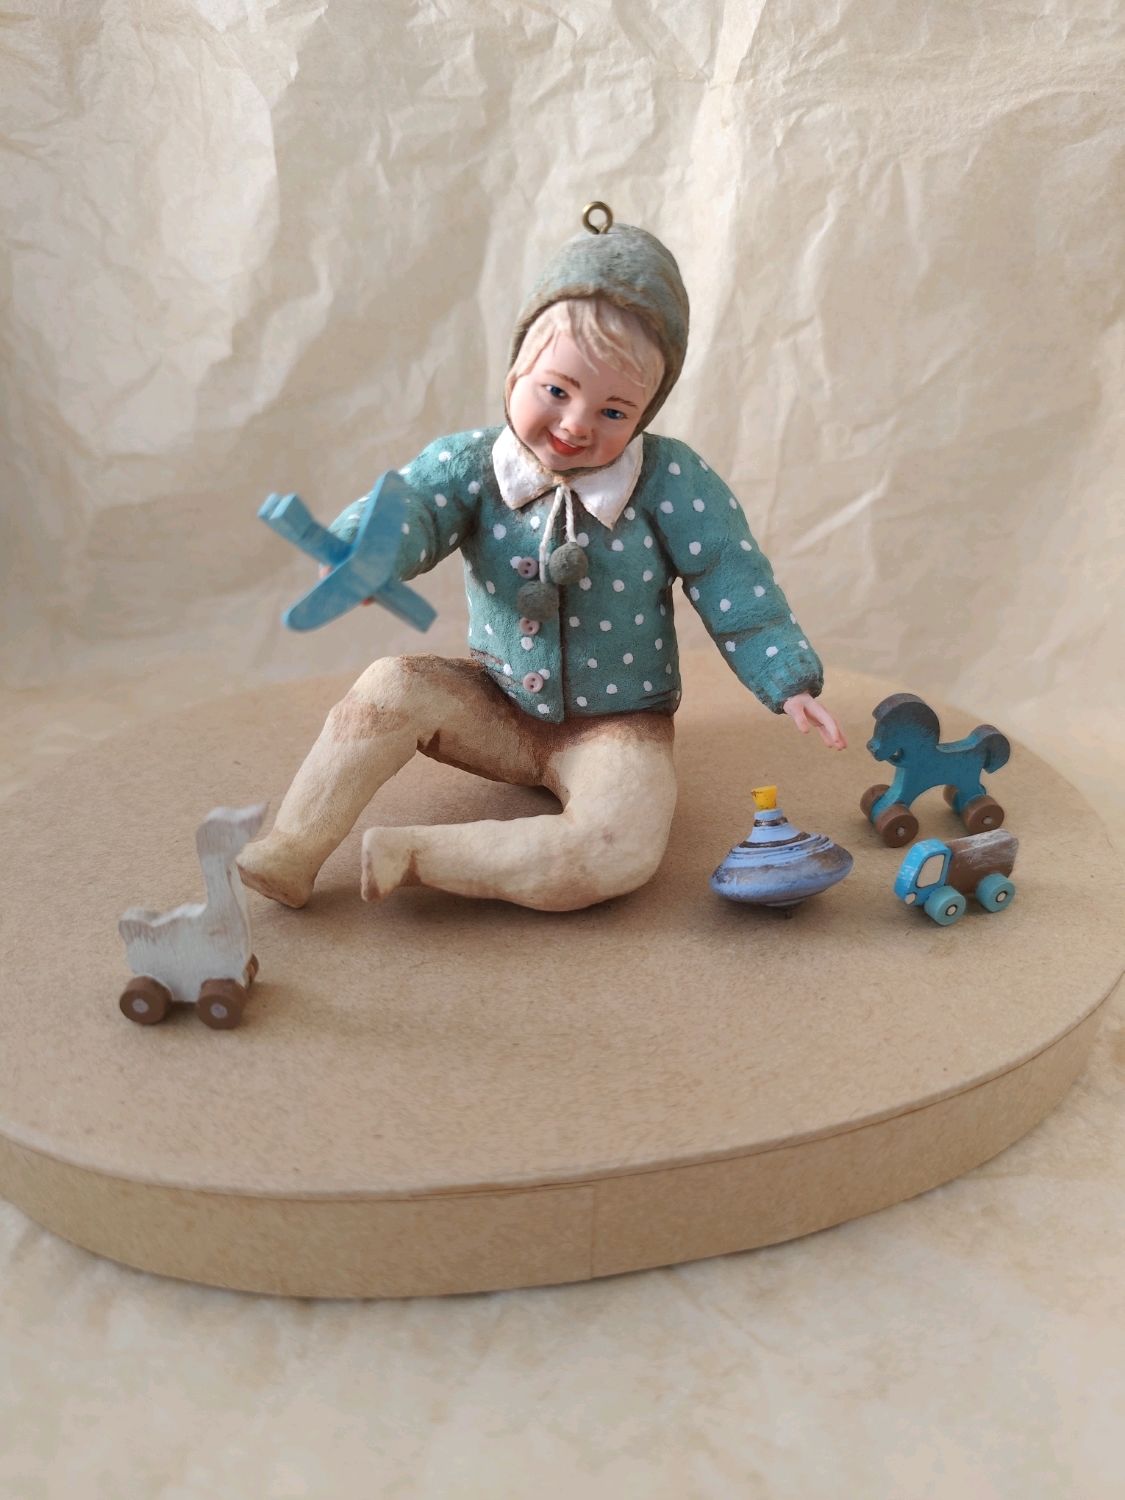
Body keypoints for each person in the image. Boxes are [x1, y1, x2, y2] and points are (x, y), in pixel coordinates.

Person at [238, 208, 845, 913]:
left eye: (614, 411)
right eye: (556, 390)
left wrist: (786, 677)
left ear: (647, 411)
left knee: (619, 845)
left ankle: (412, 855)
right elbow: (415, 508)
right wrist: (362, 552)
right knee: (390, 685)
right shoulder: (470, 464)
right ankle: (294, 844)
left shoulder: (674, 483)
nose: (575, 424)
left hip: (616, 727)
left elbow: (731, 579)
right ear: (515, 369)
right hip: (495, 708)